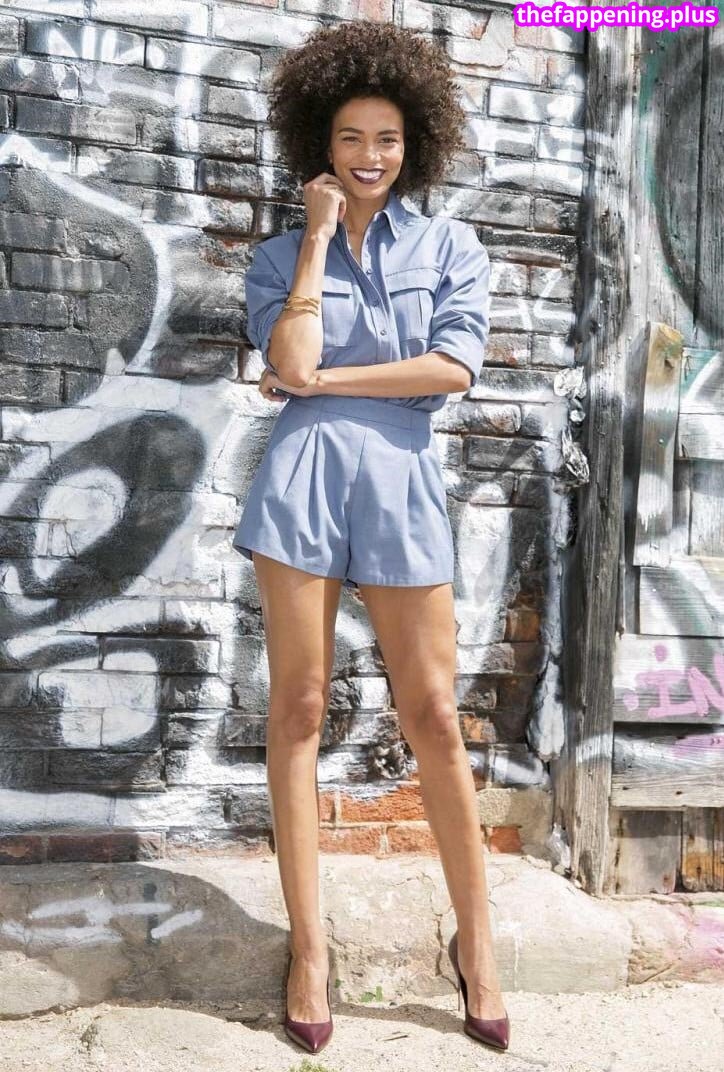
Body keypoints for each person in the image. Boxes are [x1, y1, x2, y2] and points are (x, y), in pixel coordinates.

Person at [232, 20, 509, 1056]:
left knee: (433, 713)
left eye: (386, 138)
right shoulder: (278, 255)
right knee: (300, 707)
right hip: (302, 478)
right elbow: (287, 352)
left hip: (399, 479)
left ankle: (478, 943)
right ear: (322, 141)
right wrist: (314, 239)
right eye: (350, 136)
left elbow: (451, 368)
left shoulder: (450, 248)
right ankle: (309, 950)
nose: (368, 155)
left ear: (413, 143)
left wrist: (322, 381)